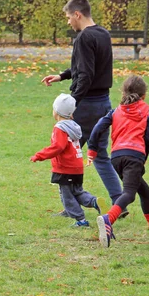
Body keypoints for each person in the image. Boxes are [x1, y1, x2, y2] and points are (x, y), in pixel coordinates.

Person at [41, 0, 124, 215]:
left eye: (69, 17)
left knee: (68, 155)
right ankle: (119, 203)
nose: (68, 22)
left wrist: (72, 103)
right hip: (104, 103)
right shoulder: (103, 34)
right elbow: (86, 69)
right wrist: (61, 76)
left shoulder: (83, 38)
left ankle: (72, 208)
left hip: (86, 105)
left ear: (78, 14)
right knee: (100, 155)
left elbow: (86, 75)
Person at [87, 75, 149, 248]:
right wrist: (143, 159)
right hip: (134, 157)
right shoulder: (147, 111)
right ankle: (108, 219)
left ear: (123, 92)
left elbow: (98, 127)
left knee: (145, 192)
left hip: (117, 158)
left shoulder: (116, 111)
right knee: (129, 194)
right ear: (144, 95)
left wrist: (92, 150)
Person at [30, 93, 109, 227]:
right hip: (77, 167)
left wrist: (40, 155)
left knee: (66, 195)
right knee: (77, 192)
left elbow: (58, 146)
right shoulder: (74, 126)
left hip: (65, 168)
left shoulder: (60, 128)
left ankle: (81, 220)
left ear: (57, 112)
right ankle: (94, 202)